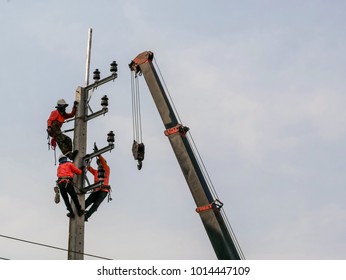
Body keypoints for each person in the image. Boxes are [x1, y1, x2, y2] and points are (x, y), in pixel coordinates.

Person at [56, 154, 84, 218]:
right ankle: (79, 211)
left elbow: (59, 174)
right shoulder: (69, 164)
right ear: (65, 159)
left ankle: (71, 213)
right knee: (74, 197)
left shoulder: (59, 167)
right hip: (67, 183)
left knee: (66, 199)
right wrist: (81, 170)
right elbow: (78, 172)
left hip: (60, 184)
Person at [85, 154, 111, 221]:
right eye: (98, 163)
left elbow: (103, 161)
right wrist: (87, 161)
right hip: (96, 190)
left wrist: (99, 155)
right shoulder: (96, 172)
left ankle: (87, 216)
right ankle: (80, 210)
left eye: (100, 162)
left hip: (103, 191)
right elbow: (88, 168)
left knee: (96, 204)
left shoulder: (106, 168)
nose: (99, 164)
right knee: (87, 202)